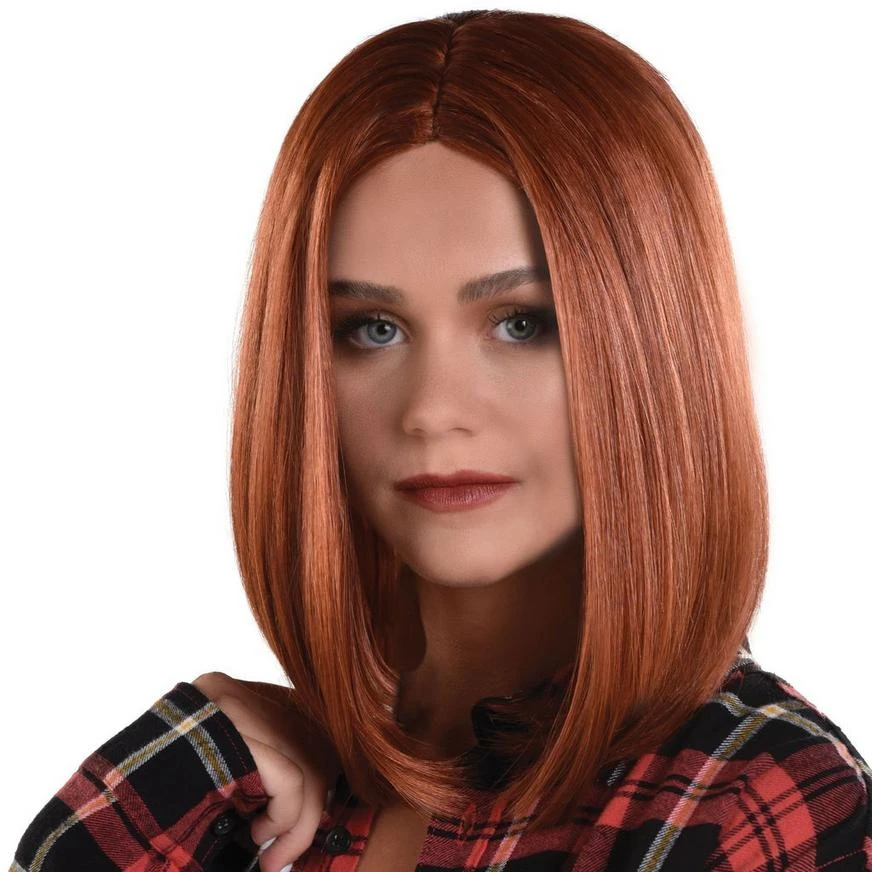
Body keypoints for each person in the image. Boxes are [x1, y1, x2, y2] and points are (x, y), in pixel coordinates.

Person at [11, 9, 871, 872]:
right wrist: (179, 770)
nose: (432, 409)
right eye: (372, 328)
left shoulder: (753, 803)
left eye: (522, 322)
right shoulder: (236, 794)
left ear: (655, 345)